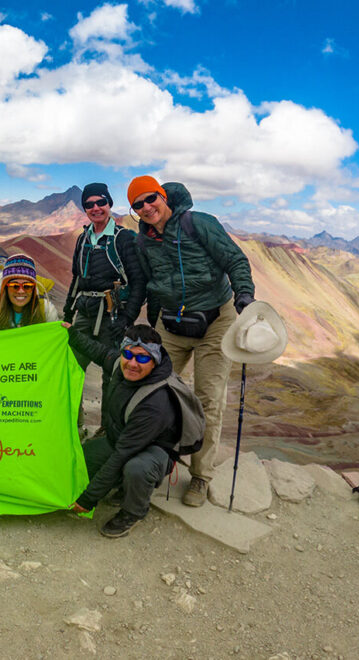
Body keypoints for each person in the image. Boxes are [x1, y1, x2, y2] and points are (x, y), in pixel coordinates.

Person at [129, 176, 255, 507]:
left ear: (162, 195)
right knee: (154, 390)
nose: (146, 207)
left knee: (208, 398)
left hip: (216, 319)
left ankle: (200, 476)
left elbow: (235, 260)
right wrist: (146, 329)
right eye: (137, 204)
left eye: (150, 198)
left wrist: (244, 293)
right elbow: (150, 285)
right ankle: (155, 462)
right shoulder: (143, 243)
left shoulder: (199, 224)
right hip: (171, 321)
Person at [67, 324, 197, 537]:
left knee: (136, 468)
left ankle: (134, 511)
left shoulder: (156, 401)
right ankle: (120, 483)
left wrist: (87, 499)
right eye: (128, 354)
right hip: (121, 440)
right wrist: (71, 333)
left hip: (153, 451)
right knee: (82, 460)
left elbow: (122, 454)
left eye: (143, 358)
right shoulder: (120, 364)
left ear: (154, 361)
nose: (133, 363)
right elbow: (98, 352)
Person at [63, 183, 146, 371]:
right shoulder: (82, 238)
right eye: (89, 204)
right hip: (83, 315)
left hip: (112, 317)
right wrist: (68, 311)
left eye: (101, 202)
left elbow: (138, 282)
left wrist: (126, 319)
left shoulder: (124, 238)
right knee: (71, 369)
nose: (95, 208)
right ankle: (74, 403)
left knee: (112, 373)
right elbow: (77, 278)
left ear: (109, 204)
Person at [0, 254, 59, 334]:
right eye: (15, 286)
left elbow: (54, 343)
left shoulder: (46, 311)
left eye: (27, 286)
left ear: (33, 289)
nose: (21, 291)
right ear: (5, 288)